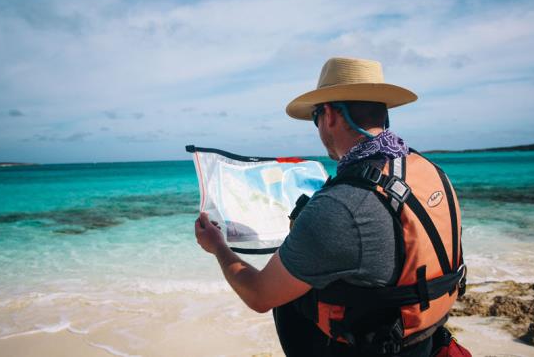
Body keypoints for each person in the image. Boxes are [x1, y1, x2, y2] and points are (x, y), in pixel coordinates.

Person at [195, 57, 467, 357]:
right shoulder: (431, 172)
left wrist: (218, 247)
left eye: (315, 117)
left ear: (329, 115)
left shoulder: (343, 205)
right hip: (423, 341)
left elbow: (259, 295)